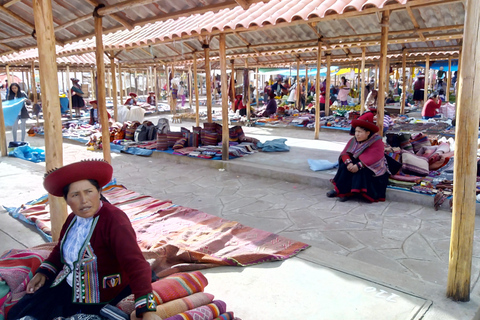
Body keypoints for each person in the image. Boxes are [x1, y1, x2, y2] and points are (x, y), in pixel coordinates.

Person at [8, 160, 160, 320]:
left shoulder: (115, 220)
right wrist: (44, 272)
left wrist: (147, 310)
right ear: (66, 200)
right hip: (67, 286)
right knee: (22, 313)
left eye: (89, 192)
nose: (84, 200)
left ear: (99, 191)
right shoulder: (72, 219)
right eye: (75, 195)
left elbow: (135, 263)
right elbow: (61, 249)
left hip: (103, 294)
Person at [327, 119, 389, 202]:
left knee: (361, 171)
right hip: (357, 163)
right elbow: (345, 153)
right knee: (344, 166)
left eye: (360, 132)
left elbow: (374, 157)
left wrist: (359, 165)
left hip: (372, 167)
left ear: (368, 133)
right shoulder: (353, 140)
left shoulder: (377, 141)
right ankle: (340, 191)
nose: (357, 134)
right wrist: (349, 163)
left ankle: (352, 193)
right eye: (356, 131)